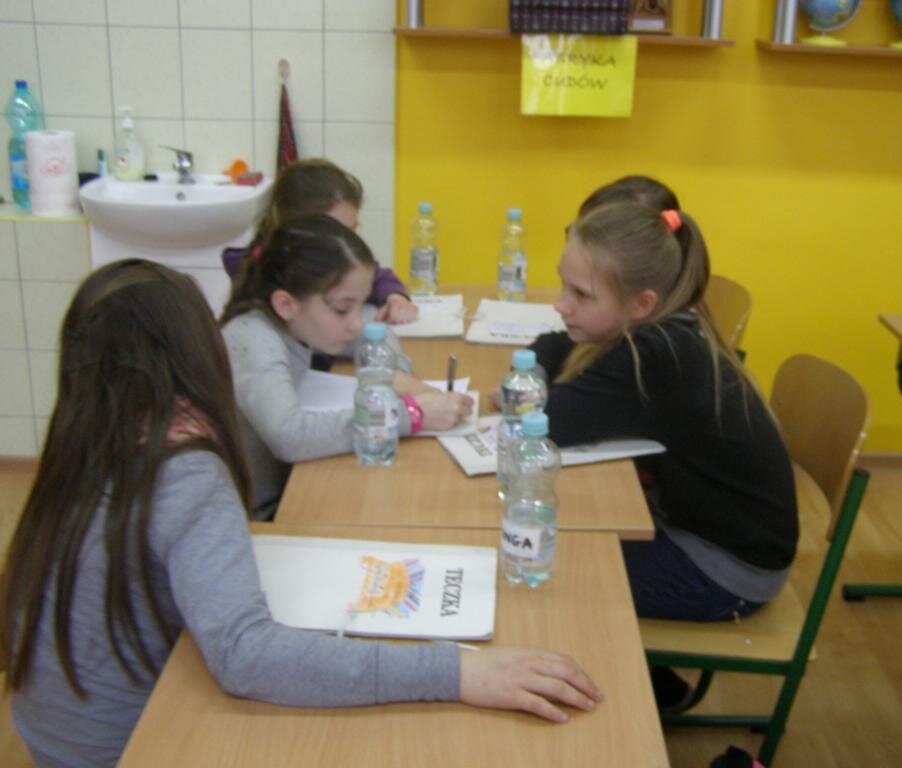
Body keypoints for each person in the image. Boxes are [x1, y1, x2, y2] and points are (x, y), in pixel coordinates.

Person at [0, 259, 602, 768]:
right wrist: (458, 672)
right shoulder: (184, 467)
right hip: (123, 746)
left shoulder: (80, 434)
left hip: (49, 735)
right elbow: (246, 656)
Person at [523, 202, 797, 701]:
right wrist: (538, 366)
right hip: (700, 533)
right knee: (557, 534)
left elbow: (550, 423)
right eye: (563, 285)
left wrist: (527, 381)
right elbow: (553, 344)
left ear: (642, 303)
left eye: (580, 294)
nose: (562, 305)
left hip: (724, 571)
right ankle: (651, 681)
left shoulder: (652, 356)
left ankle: (627, 696)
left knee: (535, 564)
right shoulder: (666, 328)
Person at [220, 214, 472, 520]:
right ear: (286, 304)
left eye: (359, 304)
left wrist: (394, 374)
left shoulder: (297, 321)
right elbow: (290, 436)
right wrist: (411, 414)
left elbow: (376, 331)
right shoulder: (253, 339)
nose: (355, 322)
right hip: (258, 516)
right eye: (342, 309)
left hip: (291, 486)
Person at [224, 158, 418, 326]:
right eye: (334, 233)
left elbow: (375, 276)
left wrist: (395, 297)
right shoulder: (266, 283)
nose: (347, 244)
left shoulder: (330, 258)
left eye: (352, 232)